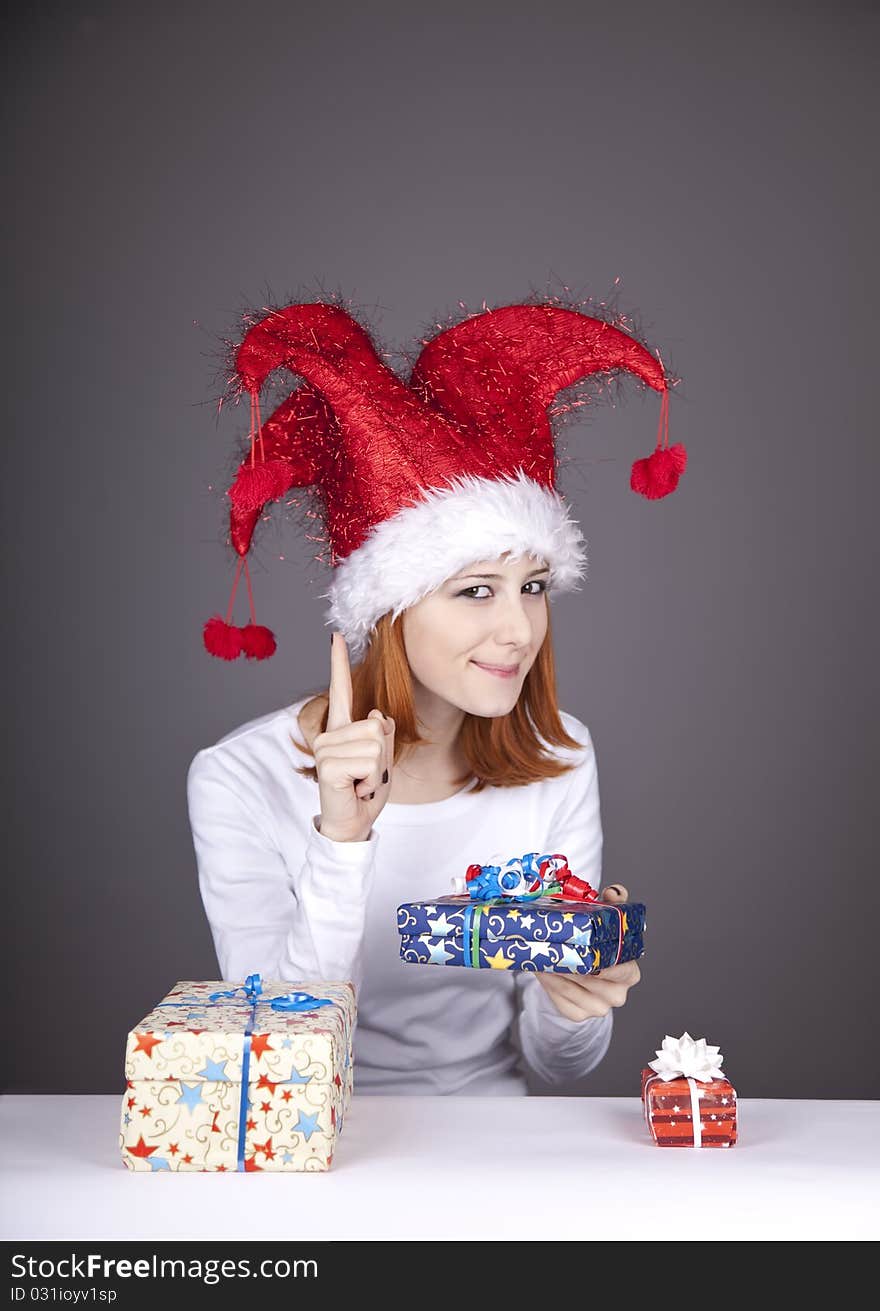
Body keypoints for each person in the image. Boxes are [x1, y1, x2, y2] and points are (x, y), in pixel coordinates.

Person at [188, 295, 685, 1095]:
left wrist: (573, 1003)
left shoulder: (561, 757)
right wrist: (342, 837)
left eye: (533, 584)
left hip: (498, 1153)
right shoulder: (238, 778)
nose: (522, 630)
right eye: (476, 591)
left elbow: (561, 1064)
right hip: (323, 1150)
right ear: (388, 606)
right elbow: (279, 1049)